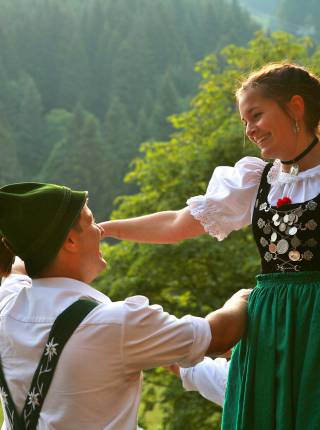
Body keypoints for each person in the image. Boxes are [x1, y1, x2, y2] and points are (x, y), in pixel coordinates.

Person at [101, 62, 320, 429]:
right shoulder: (255, 180)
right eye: (244, 122)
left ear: (295, 107)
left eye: (256, 115)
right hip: (268, 327)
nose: (250, 130)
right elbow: (176, 223)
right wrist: (105, 229)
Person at [0, 182, 250, 429]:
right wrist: (243, 298)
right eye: (90, 222)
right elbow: (219, 336)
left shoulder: (7, 302)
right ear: (70, 241)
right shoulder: (116, 322)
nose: (99, 230)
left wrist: (28, 240)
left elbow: (18, 267)